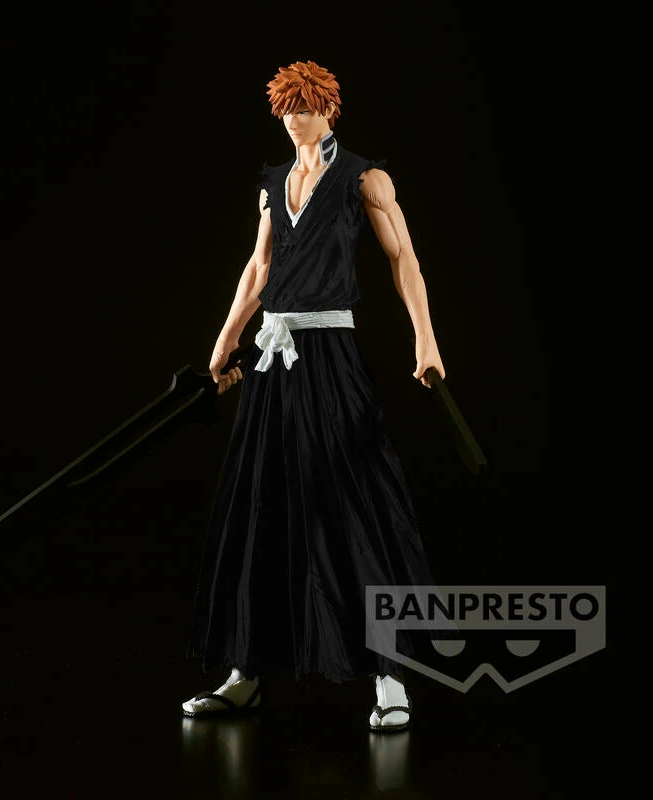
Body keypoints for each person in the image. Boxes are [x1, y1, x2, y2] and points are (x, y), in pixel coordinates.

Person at [182, 59, 445, 732]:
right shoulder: (273, 185)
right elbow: (259, 267)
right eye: (285, 110)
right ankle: (244, 672)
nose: (293, 120)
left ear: (328, 109)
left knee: (356, 501)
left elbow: (403, 259)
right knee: (259, 501)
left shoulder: (363, 178)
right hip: (273, 359)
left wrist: (426, 341)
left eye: (303, 108)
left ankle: (390, 674)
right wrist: (223, 343)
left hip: (331, 355)